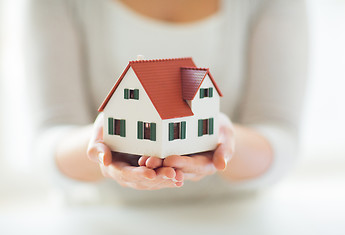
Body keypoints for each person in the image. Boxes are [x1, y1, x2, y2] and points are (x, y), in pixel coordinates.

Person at [27, 0, 308, 202]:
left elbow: (280, 134)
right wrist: (102, 143)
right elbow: (49, 139)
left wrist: (222, 138)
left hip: (232, 218)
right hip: (102, 219)